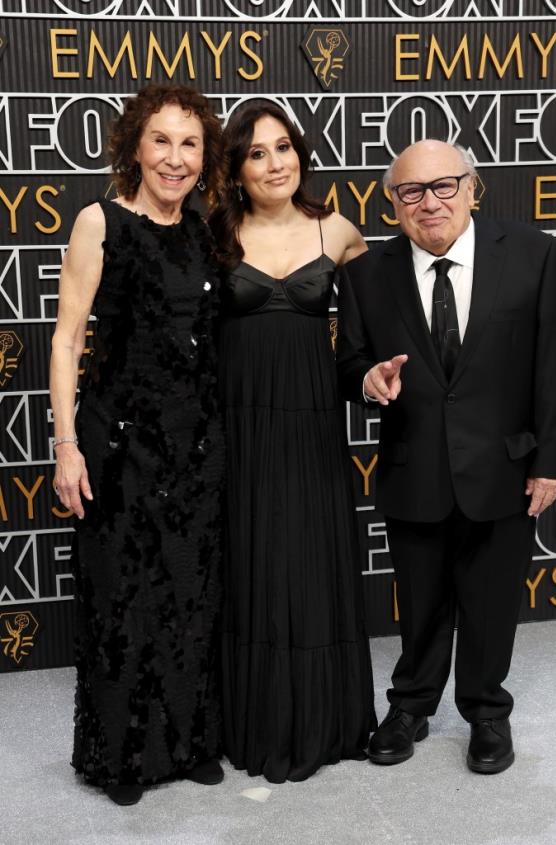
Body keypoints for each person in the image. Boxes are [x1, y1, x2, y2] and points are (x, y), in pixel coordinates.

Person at [336, 139, 556, 774]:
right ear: (393, 204)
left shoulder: (531, 253)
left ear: (473, 188)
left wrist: (551, 460)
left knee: (493, 601)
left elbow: (553, 366)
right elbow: (350, 362)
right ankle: (411, 706)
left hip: (505, 465)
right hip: (414, 466)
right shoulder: (364, 274)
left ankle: (487, 712)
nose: (430, 202)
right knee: (419, 601)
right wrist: (369, 381)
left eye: (445, 186)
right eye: (411, 191)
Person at [50, 84, 225, 805]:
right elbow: (65, 340)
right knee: (122, 598)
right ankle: (121, 754)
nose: (175, 159)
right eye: (161, 140)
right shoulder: (101, 222)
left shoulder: (206, 230)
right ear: (135, 145)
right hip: (116, 440)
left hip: (195, 443)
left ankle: (185, 744)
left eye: (190, 143)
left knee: (189, 594)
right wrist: (65, 445)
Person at [209, 101, 376, 783]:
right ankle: (253, 720)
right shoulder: (212, 234)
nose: (275, 163)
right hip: (240, 425)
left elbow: (365, 342)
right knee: (250, 560)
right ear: (237, 169)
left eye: (284, 148)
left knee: (310, 560)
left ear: (300, 155)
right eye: (256, 152)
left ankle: (325, 718)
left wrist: (378, 377)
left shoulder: (338, 231)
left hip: (312, 423)